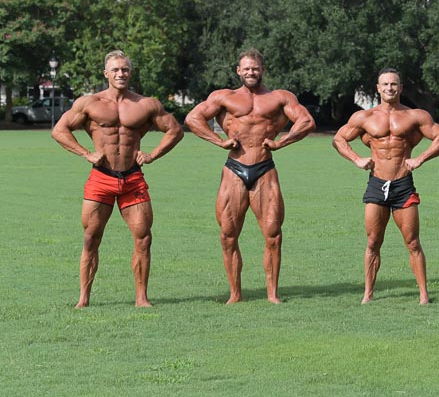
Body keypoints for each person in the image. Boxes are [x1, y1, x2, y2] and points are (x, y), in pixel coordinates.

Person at [51, 50, 184, 308]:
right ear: (106, 74)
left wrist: (153, 155)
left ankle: (141, 298)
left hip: (132, 179)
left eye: (124, 69)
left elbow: (175, 130)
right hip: (101, 179)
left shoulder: (146, 104)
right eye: (115, 70)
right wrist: (86, 153)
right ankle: (83, 299)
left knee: (143, 238)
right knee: (91, 238)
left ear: (130, 73)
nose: (120, 73)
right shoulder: (89, 103)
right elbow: (59, 130)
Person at [185, 49, 315, 304]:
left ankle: (272, 294)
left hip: (264, 169)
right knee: (227, 235)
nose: (251, 72)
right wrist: (219, 141)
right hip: (234, 169)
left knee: (273, 235)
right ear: (238, 71)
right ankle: (235, 294)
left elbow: (306, 121)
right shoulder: (224, 97)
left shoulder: (279, 98)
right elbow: (193, 118)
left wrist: (282, 141)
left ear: (263, 70)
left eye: (255, 68)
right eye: (246, 68)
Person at [332, 68, 439, 305]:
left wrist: (420, 159)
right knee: (373, 242)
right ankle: (368, 293)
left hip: (403, 184)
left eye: (394, 84)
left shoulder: (415, 116)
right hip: (376, 184)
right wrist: (357, 159)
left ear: (401, 88)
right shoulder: (364, 117)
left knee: (413, 242)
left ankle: (424, 295)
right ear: (378, 88)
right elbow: (339, 138)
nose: (389, 88)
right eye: (385, 84)